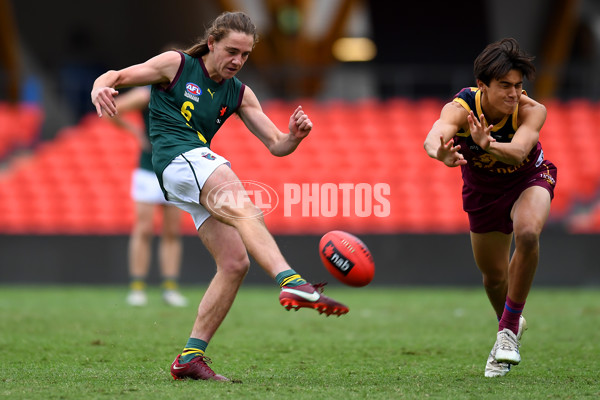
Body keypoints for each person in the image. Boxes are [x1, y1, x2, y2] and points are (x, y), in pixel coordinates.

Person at [91, 11, 348, 382]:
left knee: (234, 262)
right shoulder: (176, 65)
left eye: (245, 55)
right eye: (232, 51)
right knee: (243, 203)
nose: (237, 61)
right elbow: (117, 76)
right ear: (211, 43)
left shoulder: (239, 92)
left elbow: (276, 144)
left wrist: (294, 136)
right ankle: (292, 282)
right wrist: (100, 86)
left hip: (190, 170)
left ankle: (190, 358)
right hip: (176, 159)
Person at [423, 38, 557, 377]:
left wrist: (488, 143)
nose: (514, 94)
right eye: (505, 86)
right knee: (494, 278)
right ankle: (510, 325)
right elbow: (434, 134)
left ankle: (508, 332)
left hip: (528, 178)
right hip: (482, 190)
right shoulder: (462, 107)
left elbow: (519, 151)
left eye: (518, 86)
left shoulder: (531, 110)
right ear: (482, 86)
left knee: (527, 233)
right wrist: (439, 152)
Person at [110, 85, 187, 307]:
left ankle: (170, 287)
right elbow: (112, 110)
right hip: (148, 169)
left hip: (175, 170)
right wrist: (135, 131)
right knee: (143, 229)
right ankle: (137, 287)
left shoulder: (189, 94)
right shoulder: (147, 94)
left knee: (172, 231)